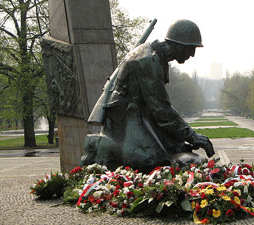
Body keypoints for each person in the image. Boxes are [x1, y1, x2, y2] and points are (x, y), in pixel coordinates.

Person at [81, 19, 214, 172]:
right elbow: (161, 110)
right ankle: (105, 149)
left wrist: (183, 136)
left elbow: (161, 106)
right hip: (125, 119)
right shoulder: (148, 61)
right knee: (154, 160)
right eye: (190, 48)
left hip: (140, 114)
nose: (192, 54)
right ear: (178, 45)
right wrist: (191, 135)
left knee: (177, 149)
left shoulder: (157, 57)